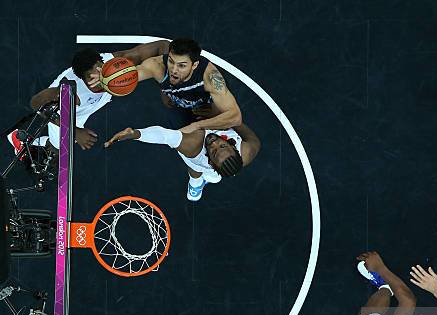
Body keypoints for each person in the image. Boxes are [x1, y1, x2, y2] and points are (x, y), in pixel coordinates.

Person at [21, 41, 170, 152]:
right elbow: (35, 103)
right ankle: (23, 142)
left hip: (93, 103)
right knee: (57, 151)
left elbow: (162, 46)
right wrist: (74, 130)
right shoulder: (67, 89)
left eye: (102, 67)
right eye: (92, 75)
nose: (101, 74)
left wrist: (168, 84)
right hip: (67, 112)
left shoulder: (114, 66)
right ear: (83, 78)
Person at [88, 38, 241, 133]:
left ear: (194, 65)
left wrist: (197, 126)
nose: (174, 69)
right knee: (184, 147)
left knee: (208, 140)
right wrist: (107, 79)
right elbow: (133, 74)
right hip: (176, 104)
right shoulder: (156, 65)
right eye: (171, 61)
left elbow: (235, 116)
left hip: (206, 108)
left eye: (181, 66)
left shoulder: (210, 77)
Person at [104, 123, 260, 200]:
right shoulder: (247, 151)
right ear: (233, 146)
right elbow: (240, 124)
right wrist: (224, 119)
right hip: (214, 162)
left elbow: (164, 136)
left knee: (194, 170)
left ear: (211, 161)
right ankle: (209, 179)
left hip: (197, 159)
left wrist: (135, 134)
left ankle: (195, 183)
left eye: (213, 151)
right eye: (222, 145)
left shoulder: (193, 147)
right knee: (214, 177)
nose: (213, 143)